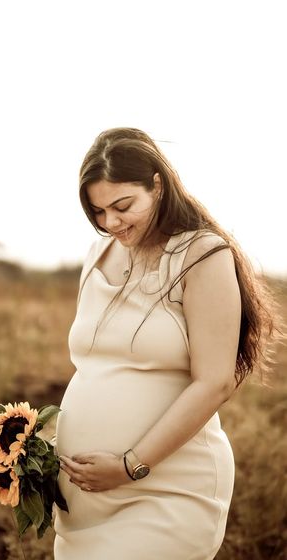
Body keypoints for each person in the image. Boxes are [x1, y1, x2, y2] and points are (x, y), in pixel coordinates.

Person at [52, 127, 280, 560]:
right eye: (98, 211)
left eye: (123, 206)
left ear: (158, 184)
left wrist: (130, 465)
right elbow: (98, 367)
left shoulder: (202, 255)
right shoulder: (98, 254)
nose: (111, 223)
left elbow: (214, 382)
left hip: (167, 488)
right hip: (86, 503)